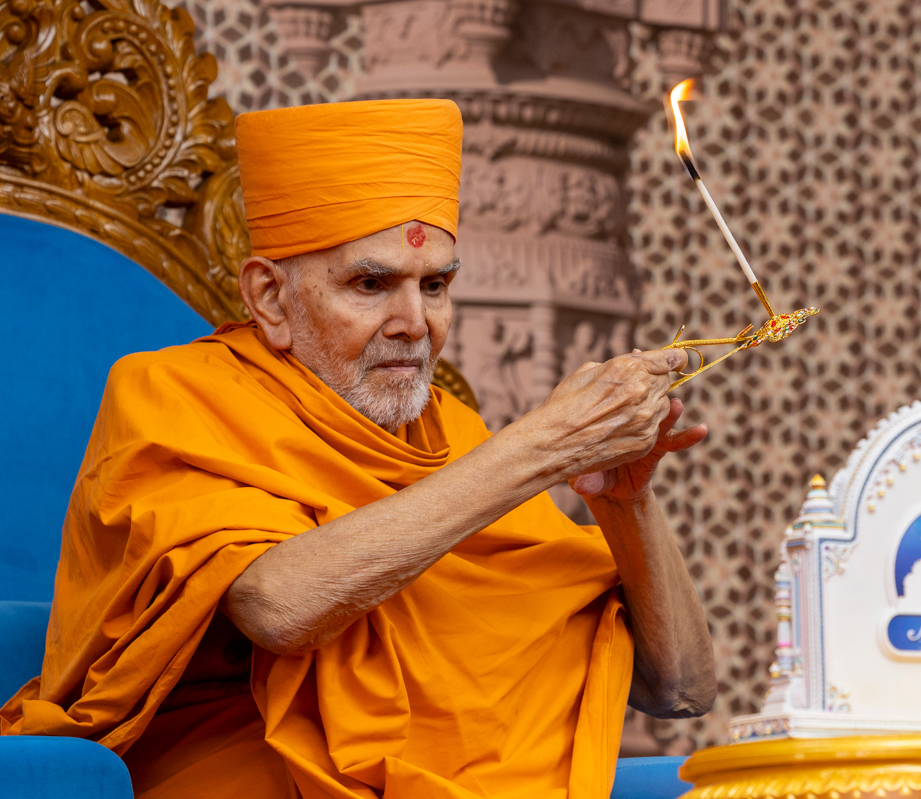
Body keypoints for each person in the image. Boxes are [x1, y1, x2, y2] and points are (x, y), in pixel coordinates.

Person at [0, 99, 716, 798]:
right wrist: (544, 445)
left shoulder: (452, 434)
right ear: (271, 298)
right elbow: (277, 607)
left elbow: (680, 687)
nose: (414, 324)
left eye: (435, 285)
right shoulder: (170, 393)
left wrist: (628, 502)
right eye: (371, 284)